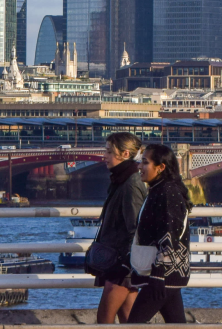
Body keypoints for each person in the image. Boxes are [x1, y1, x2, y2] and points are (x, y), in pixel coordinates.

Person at [127, 143, 192, 324]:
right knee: (177, 323)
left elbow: (170, 234)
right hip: (169, 274)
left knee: (134, 325)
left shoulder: (167, 192)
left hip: (162, 274)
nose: (139, 166)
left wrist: (158, 274)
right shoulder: (160, 189)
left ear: (161, 167)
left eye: (145, 163)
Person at [89, 132, 147, 323]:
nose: (104, 156)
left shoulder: (130, 183)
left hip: (122, 264)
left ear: (124, 154)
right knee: (129, 317)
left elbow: (135, 227)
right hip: (123, 260)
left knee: (105, 318)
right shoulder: (122, 179)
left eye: (108, 152)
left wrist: (126, 263)